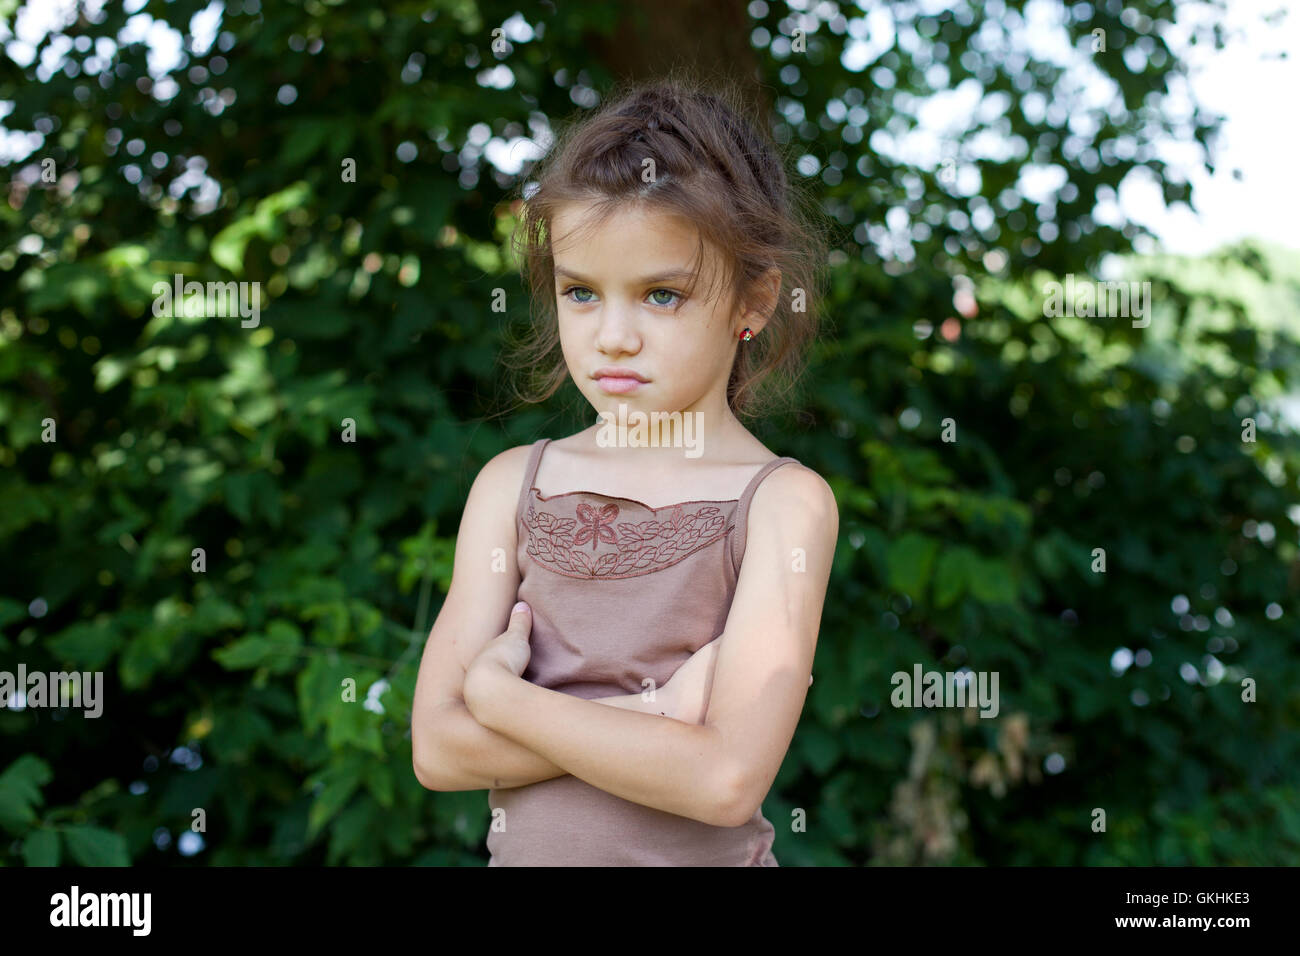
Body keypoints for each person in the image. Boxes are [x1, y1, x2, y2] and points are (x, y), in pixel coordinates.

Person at [410, 74, 838, 866]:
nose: (612, 336)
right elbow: (438, 750)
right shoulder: (512, 486)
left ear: (756, 300)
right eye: (580, 292)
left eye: (661, 297)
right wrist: (656, 715)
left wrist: (501, 699)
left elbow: (723, 781)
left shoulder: (781, 505)